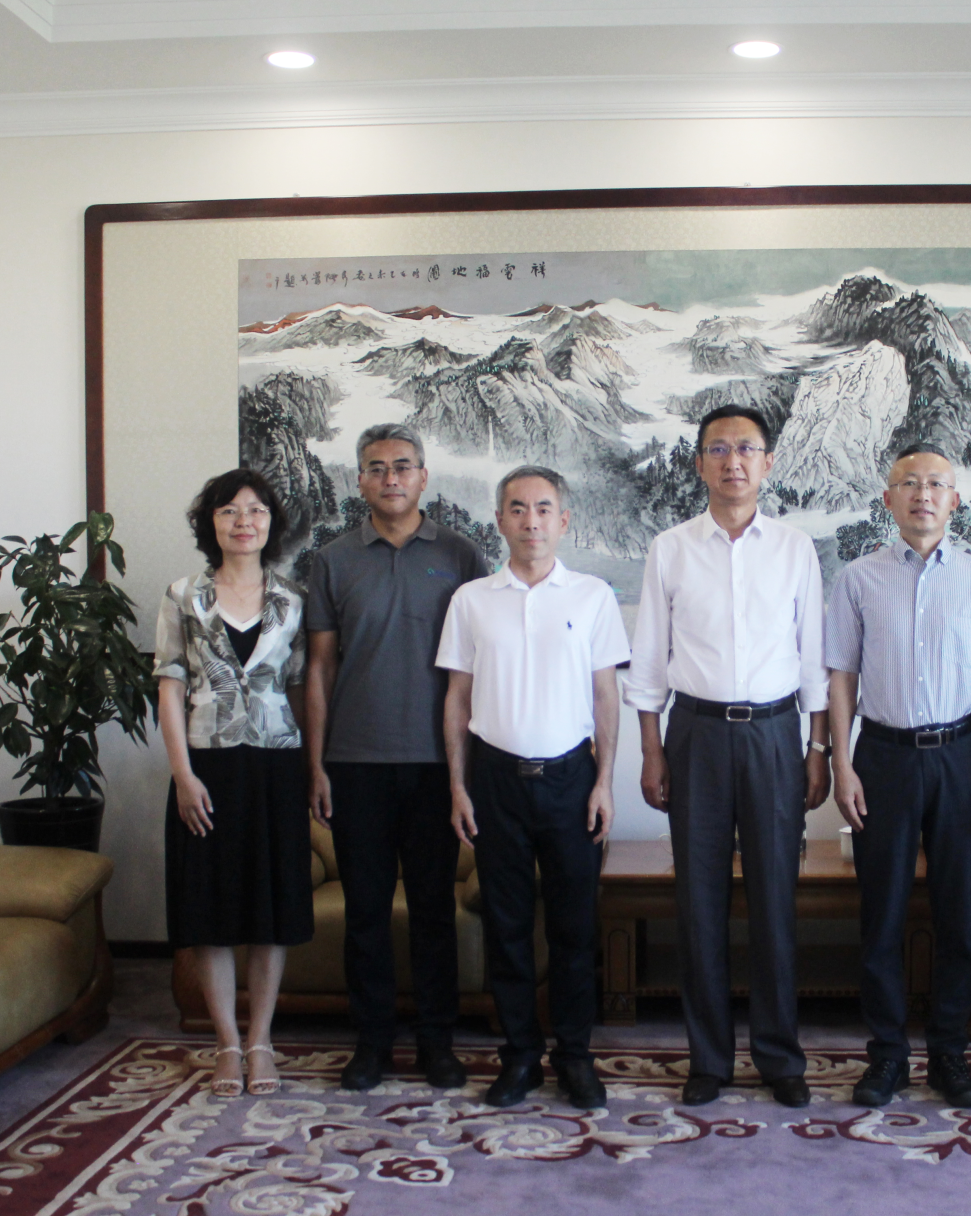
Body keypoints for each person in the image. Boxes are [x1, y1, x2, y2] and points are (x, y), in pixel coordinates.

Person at [628, 404, 831, 1107]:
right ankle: (708, 1059)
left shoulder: (795, 549)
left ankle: (779, 1056)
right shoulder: (671, 548)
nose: (733, 461)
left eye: (746, 448)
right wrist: (651, 751)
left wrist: (817, 749)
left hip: (775, 734)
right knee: (700, 900)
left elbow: (814, 658)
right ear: (700, 464)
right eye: (718, 448)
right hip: (697, 732)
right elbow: (648, 660)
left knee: (776, 900)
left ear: (767, 462)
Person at [827, 445, 971, 1108]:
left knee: (958, 913)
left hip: (959, 755)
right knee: (881, 913)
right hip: (882, 756)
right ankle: (886, 1055)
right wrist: (841, 761)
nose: (923, 494)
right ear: (889, 499)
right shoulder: (858, 578)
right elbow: (841, 676)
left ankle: (949, 1054)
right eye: (909, 483)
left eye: (936, 483)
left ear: (954, 499)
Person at [304, 423, 489, 1092]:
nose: (391, 478)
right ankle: (372, 1040)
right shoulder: (332, 560)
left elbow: (481, 665)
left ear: (423, 477)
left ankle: (438, 1040)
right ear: (359, 480)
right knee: (366, 912)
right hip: (356, 763)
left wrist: (472, 768)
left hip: (440, 765)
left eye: (403, 466)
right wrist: (316, 764)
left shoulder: (461, 554)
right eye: (377, 467)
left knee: (434, 911)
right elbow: (319, 668)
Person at [438, 467, 629, 1109]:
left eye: (544, 508)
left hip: (572, 779)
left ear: (563, 520)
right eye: (517, 509)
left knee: (575, 931)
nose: (531, 521)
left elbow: (606, 695)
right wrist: (458, 785)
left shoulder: (593, 596)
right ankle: (519, 1057)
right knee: (508, 928)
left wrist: (604, 782)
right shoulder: (471, 600)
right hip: (496, 781)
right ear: (499, 520)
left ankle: (574, 1057)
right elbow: (457, 697)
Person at [155, 468, 313, 1099]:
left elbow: (299, 688)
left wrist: (314, 771)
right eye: (229, 510)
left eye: (255, 510)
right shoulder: (182, 596)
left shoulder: (294, 599)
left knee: (270, 910)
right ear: (211, 522)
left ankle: (261, 1040)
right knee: (210, 912)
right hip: (207, 766)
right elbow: (169, 687)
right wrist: (182, 775)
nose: (243, 521)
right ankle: (225, 1041)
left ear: (271, 523)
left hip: (276, 765)